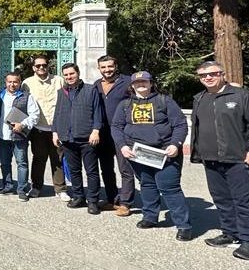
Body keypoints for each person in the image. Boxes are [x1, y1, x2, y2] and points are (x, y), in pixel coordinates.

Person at [190, 61, 249, 260]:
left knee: (245, 201)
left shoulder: (241, 96)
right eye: (203, 75)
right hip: (211, 159)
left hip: (239, 159)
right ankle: (230, 232)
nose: (208, 78)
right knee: (222, 199)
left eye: (213, 74)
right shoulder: (199, 98)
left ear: (222, 74)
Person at [110, 71, 191, 241]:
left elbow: (180, 124)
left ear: (151, 83)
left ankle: (183, 225)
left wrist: (175, 144)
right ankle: (150, 216)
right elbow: (116, 126)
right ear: (132, 85)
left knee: (169, 187)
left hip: (164, 152)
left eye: (144, 82)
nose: (141, 85)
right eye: (137, 82)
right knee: (147, 184)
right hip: (138, 153)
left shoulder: (164, 101)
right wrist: (123, 146)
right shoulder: (125, 104)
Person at [53, 63, 104, 215]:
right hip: (68, 138)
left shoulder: (90, 90)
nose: (69, 77)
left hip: (86, 137)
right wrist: (55, 132)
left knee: (92, 171)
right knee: (74, 170)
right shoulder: (61, 92)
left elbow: (97, 112)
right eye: (66, 75)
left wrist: (96, 130)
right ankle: (79, 196)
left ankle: (93, 201)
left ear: (78, 73)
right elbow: (57, 113)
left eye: (71, 74)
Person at [22, 56, 69, 201]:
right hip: (38, 128)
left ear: (48, 66)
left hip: (57, 128)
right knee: (38, 158)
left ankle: (60, 189)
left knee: (58, 159)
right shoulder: (27, 83)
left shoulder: (59, 80)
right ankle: (36, 187)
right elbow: (22, 104)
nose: (41, 68)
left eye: (44, 65)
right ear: (33, 68)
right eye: (38, 66)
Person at [94, 55, 134, 216]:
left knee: (125, 168)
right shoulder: (96, 85)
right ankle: (112, 199)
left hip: (122, 132)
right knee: (106, 168)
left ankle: (126, 202)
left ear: (116, 66)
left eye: (110, 66)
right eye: (103, 67)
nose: (107, 70)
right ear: (99, 69)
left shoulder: (127, 82)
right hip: (102, 133)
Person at [0, 71, 40, 202]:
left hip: (19, 136)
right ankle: (7, 186)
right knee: (5, 163)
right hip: (2, 136)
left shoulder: (27, 96)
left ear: (20, 83)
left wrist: (23, 124)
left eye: (15, 82)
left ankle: (22, 189)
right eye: (10, 81)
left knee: (22, 163)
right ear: (6, 82)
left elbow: (35, 115)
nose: (12, 84)